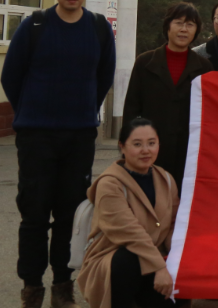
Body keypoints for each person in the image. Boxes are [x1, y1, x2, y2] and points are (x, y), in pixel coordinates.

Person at [1, 0, 116, 308]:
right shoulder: (34, 26)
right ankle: (32, 288)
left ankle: (63, 287)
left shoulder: (98, 28)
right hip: (36, 137)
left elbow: (103, 78)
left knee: (71, 216)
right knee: (34, 215)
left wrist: (81, 111)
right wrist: (32, 112)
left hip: (79, 137)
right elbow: (11, 77)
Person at [77, 118, 182, 308]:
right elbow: (130, 232)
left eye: (151, 143)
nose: (146, 150)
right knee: (129, 259)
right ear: (122, 147)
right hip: (114, 262)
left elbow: (174, 224)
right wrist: (160, 267)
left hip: (154, 260)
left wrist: (177, 260)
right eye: (137, 144)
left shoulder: (166, 179)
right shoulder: (110, 184)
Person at [123, 2, 213, 189]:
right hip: (150, 149)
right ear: (168, 26)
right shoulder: (145, 62)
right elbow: (132, 107)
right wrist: (128, 144)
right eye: (178, 23)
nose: (183, 29)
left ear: (196, 30)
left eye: (190, 24)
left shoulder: (204, 68)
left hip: (188, 151)